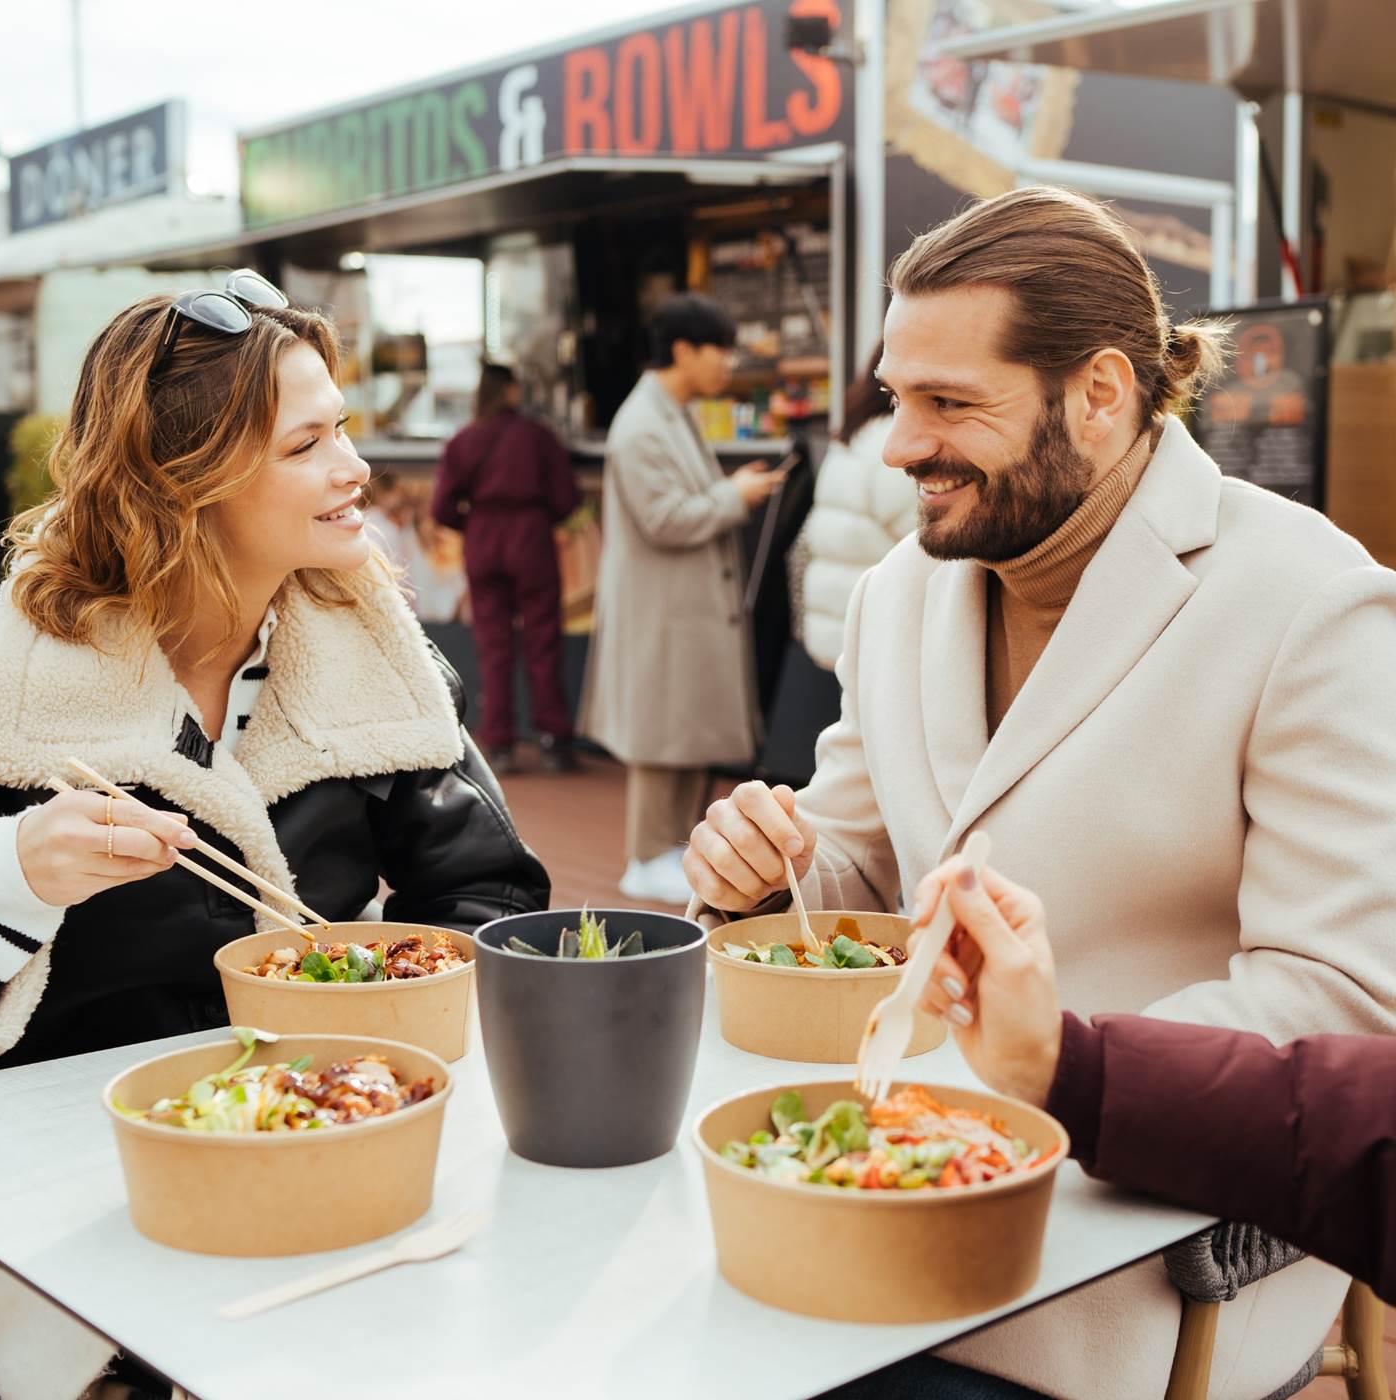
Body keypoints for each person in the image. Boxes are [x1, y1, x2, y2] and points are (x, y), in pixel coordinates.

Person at [685, 187, 1396, 1400]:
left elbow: (1344, 1001)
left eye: (949, 403)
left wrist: (1015, 1077)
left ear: (1102, 393)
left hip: (1142, 1253)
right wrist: (766, 867)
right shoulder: (897, 588)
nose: (900, 443)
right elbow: (853, 871)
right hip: (879, 1185)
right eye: (894, 396)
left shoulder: (1310, 599)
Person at [0, 273, 550, 1070]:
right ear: (180, 486)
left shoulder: (373, 654)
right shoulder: (20, 675)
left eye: (342, 429)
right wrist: (16, 874)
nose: (355, 467)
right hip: (76, 1140)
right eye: (305, 445)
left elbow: (489, 893)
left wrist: (373, 1024)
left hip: (317, 1114)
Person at [910, 854, 1396, 1308]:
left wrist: (1067, 1075)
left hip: (1144, 1277)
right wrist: (1060, 1068)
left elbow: (1338, 993)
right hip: (958, 1201)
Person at [579, 293, 786, 906]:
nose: (729, 363)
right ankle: (644, 857)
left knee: (683, 734)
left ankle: (666, 849)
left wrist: (729, 492)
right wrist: (734, 496)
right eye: (719, 349)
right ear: (684, 350)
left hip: (679, 608)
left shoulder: (668, 411)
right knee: (660, 739)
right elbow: (663, 518)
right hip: (662, 610)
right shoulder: (642, 422)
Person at [431, 362, 579, 774]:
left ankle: (499, 743)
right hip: (531, 541)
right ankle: (553, 739)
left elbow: (441, 508)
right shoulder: (538, 438)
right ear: (511, 392)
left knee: (493, 647)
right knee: (542, 642)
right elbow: (567, 500)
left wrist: (476, 524)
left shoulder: (463, 441)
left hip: (483, 542)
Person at [800, 344, 917, 670]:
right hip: (871, 640)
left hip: (837, 626)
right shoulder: (894, 445)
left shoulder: (854, 435)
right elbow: (925, 541)